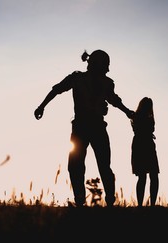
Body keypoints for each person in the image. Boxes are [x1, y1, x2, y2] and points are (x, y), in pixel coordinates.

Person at [34, 50, 134, 207]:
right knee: (78, 165)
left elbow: (114, 100)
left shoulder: (99, 82)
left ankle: (104, 201)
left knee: (98, 165)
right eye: (105, 65)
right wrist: (42, 106)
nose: (107, 69)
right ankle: (84, 200)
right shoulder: (80, 78)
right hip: (85, 127)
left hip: (89, 127)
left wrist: (127, 111)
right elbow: (57, 90)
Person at [131, 97, 160, 207]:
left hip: (144, 144)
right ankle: (144, 205)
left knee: (149, 175)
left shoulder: (143, 116)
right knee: (147, 175)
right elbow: (146, 129)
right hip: (143, 144)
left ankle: (146, 204)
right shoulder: (140, 117)